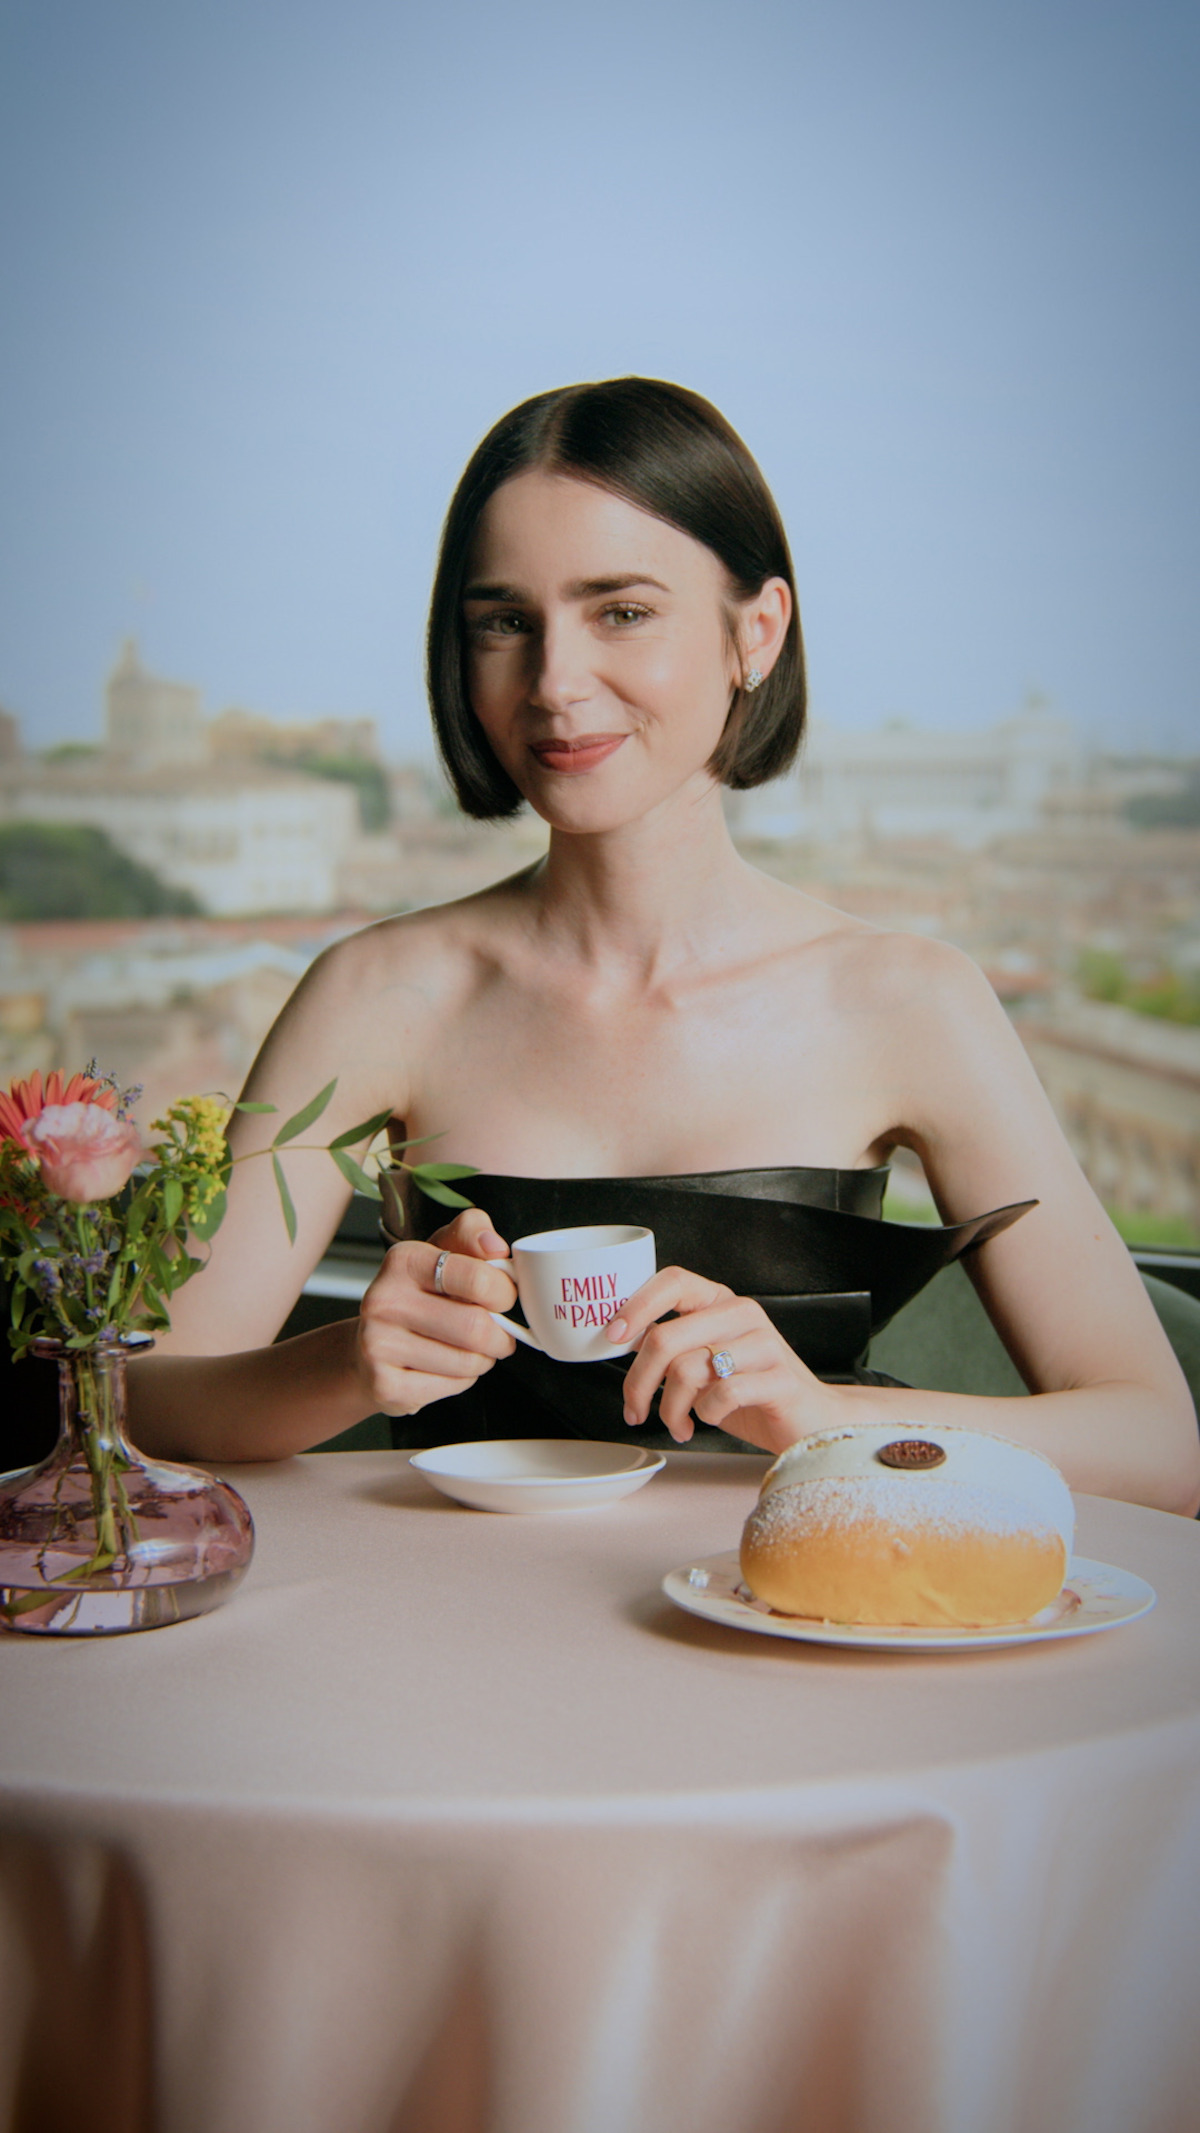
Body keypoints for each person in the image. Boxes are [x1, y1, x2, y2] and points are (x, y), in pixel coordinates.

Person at [137, 378, 1200, 1514]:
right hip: (447, 1638)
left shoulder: (912, 1002)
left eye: (623, 612)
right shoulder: (377, 993)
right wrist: (343, 1362)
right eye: (504, 621)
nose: (553, 683)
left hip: (808, 1636)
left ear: (758, 631)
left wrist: (826, 1416)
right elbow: (143, 1403)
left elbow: (1160, 1449)